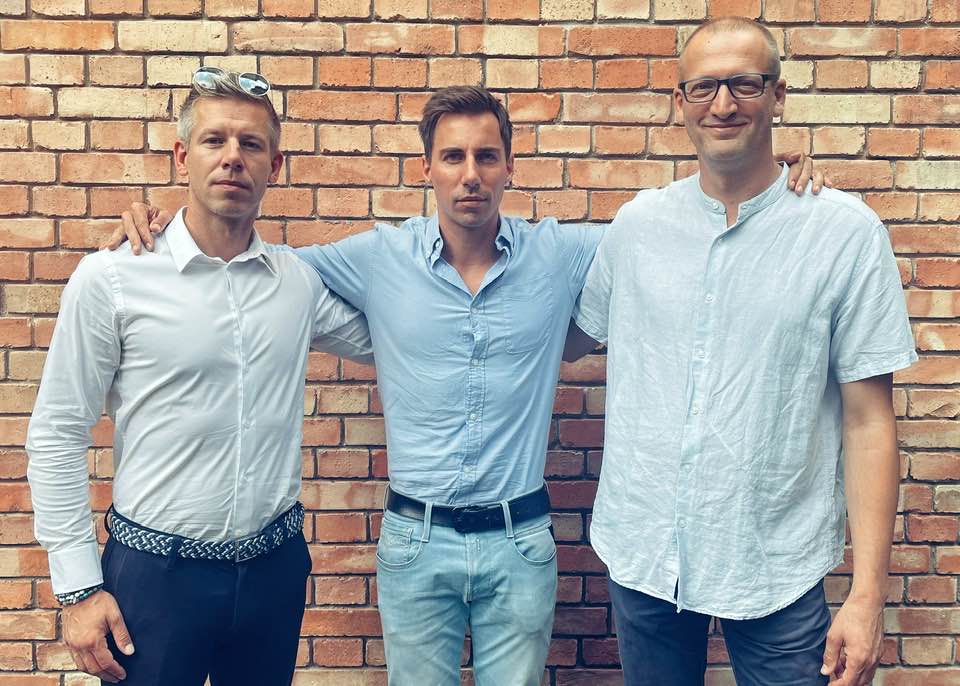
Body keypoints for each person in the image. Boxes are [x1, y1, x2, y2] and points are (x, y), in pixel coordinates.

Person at [107, 85, 821, 685]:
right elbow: (253, 264)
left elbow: (676, 231)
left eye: (486, 156)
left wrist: (760, 178)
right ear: (427, 168)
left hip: (521, 542)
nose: (470, 174)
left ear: (510, 165)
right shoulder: (378, 258)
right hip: (415, 543)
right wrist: (165, 227)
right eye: (452, 157)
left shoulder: (560, 251)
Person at [564, 17, 916, 686]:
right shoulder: (637, 228)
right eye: (704, 87)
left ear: (778, 95)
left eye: (745, 84)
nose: (723, 104)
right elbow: (571, 335)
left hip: (774, 560)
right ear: (680, 102)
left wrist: (867, 595)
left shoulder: (844, 235)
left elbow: (869, 419)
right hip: (645, 551)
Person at [26, 68, 372, 685]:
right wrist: (76, 588)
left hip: (272, 572)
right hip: (153, 578)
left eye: (251, 144)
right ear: (183, 156)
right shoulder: (113, 277)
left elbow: (398, 337)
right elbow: (57, 430)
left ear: (275, 166)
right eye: (215, 140)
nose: (233, 157)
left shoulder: (297, 283)